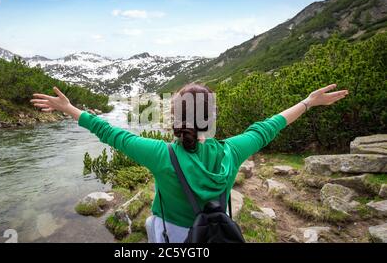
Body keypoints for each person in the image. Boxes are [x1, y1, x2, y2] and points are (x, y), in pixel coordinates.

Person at [31, 83, 349, 243]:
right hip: (215, 231)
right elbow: (268, 126)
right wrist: (308, 102)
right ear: (210, 118)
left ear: (175, 119)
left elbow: (110, 133)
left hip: (172, 233)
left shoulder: (161, 155)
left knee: (151, 224)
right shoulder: (232, 151)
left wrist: (70, 109)